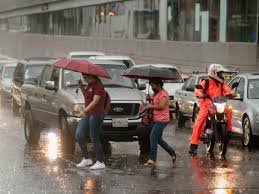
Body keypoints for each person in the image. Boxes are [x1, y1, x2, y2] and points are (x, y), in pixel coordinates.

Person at [189, 64, 235, 159]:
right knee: (199, 122)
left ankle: (229, 131)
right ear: (214, 73)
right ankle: (193, 145)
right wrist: (201, 94)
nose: (222, 75)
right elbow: (197, 90)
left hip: (218, 103)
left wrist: (231, 94)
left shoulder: (221, 83)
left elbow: (227, 90)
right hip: (207, 104)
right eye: (220, 73)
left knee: (229, 110)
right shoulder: (206, 82)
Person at [75, 73, 106, 170]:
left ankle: (100, 161)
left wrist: (84, 111)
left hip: (96, 114)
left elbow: (95, 101)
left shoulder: (99, 87)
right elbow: (87, 96)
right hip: (89, 114)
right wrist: (81, 87)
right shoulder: (90, 85)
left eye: (86, 78)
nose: (85, 79)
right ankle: (86, 158)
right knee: (79, 134)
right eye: (84, 78)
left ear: (93, 76)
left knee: (94, 137)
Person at [144, 79, 177, 167]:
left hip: (162, 120)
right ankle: (173, 153)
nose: (152, 88)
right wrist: (149, 99)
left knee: (153, 137)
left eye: (153, 86)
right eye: (150, 86)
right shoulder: (156, 93)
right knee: (158, 140)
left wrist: (151, 105)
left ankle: (152, 159)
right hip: (156, 119)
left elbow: (161, 106)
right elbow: (154, 102)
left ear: (158, 84)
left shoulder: (163, 94)